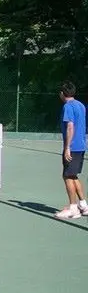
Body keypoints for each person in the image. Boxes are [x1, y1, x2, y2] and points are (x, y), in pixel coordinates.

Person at [56, 81, 88, 219]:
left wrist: (67, 147)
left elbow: (70, 126)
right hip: (81, 145)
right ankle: (84, 206)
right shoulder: (80, 105)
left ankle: (73, 208)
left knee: (67, 176)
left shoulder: (68, 106)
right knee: (73, 175)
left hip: (73, 147)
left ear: (63, 93)